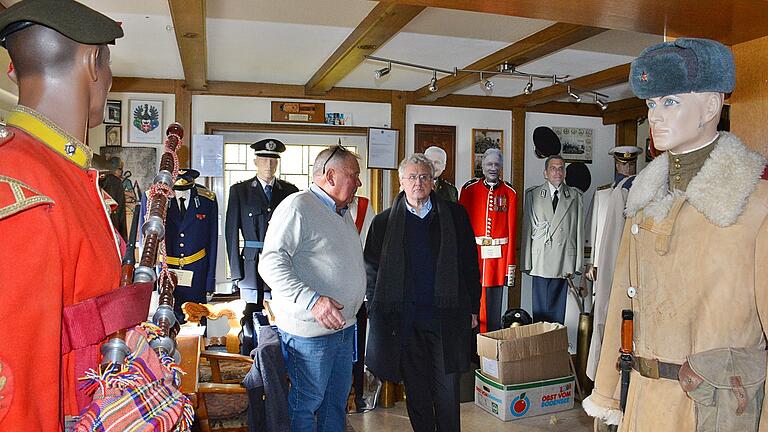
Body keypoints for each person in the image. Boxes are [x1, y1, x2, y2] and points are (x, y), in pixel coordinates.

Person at [583, 38, 768, 431]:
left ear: (712, 106)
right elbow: (620, 303)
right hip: (643, 406)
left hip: (715, 413)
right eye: (651, 104)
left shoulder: (755, 205)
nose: (655, 116)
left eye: (670, 101)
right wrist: (608, 397)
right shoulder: (645, 202)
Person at [0, 1, 148, 429]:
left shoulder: (67, 172)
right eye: (110, 64)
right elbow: (14, 386)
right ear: (92, 61)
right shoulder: (24, 187)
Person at [365, 153, 481, 432]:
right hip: (405, 321)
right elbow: (372, 270)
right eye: (412, 177)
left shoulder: (454, 215)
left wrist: (474, 307)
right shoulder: (383, 222)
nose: (418, 182)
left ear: (433, 181)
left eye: (424, 177)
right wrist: (374, 310)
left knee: (447, 388)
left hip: (446, 318)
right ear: (401, 181)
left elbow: (469, 263)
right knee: (416, 389)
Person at [259, 145, 366, 432]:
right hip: (311, 333)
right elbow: (269, 264)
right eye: (353, 175)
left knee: (335, 403)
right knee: (306, 404)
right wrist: (314, 301)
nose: (359, 182)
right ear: (330, 176)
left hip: (343, 328)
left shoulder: (341, 211)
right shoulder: (298, 206)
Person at [225, 138, 299, 354]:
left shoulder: (289, 191)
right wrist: (236, 271)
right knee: (250, 313)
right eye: (264, 159)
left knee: (280, 311)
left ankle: (279, 357)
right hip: (250, 265)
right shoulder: (240, 191)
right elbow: (231, 233)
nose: (269, 165)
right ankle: (249, 359)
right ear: (255, 161)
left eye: (273, 161)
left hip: (282, 261)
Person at [584, 146, 642, 381]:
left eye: (630, 164)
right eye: (622, 164)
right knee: (603, 316)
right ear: (616, 165)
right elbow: (594, 231)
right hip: (605, 266)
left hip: (632, 265)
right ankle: (599, 374)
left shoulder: (643, 192)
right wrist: (591, 264)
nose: (626, 168)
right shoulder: (603, 194)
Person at [459, 148, 517, 332]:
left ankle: (489, 352)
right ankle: (473, 353)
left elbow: (512, 231)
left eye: (496, 164)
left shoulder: (509, 192)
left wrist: (510, 267)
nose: (493, 168)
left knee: (493, 308)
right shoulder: (469, 190)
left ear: (501, 167)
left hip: (497, 262)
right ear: (481, 166)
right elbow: (462, 227)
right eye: (489, 164)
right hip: (474, 256)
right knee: (471, 306)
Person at [521, 155, 583, 325]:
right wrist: (526, 262)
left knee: (558, 313)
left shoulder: (575, 196)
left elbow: (579, 231)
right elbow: (527, 230)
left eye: (561, 168)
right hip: (541, 259)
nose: (557, 172)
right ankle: (541, 348)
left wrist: (577, 264)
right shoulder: (533, 195)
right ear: (545, 173)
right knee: (540, 311)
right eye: (553, 168)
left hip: (564, 259)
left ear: (565, 172)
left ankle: (554, 347)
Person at [166, 168, 218, 324]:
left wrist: (210, 281)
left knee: (197, 323)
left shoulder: (207, 200)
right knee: (167, 324)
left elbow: (212, 242)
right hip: (167, 272)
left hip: (197, 274)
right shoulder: (157, 199)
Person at [348, 195, 375, 412]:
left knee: (358, 346)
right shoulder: (317, 206)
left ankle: (357, 394)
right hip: (329, 291)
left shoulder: (365, 207)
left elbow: (373, 249)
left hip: (359, 285)